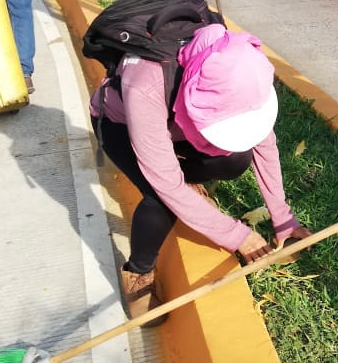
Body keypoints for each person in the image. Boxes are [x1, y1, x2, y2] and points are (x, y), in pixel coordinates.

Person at [90, 23, 313, 324]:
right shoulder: (146, 83)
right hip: (122, 125)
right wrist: (237, 236)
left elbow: (264, 143)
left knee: (235, 159)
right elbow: (167, 186)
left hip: (178, 128)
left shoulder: (240, 68)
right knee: (160, 199)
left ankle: (189, 186)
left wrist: (283, 218)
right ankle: (138, 271)